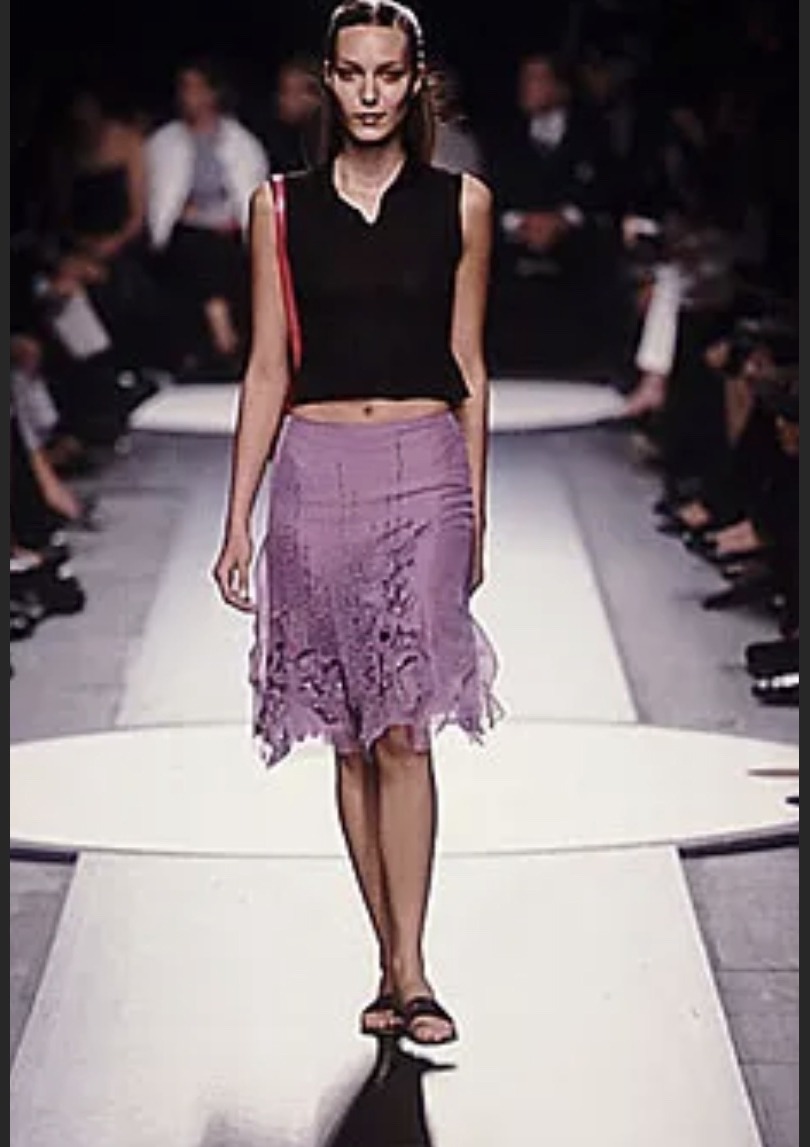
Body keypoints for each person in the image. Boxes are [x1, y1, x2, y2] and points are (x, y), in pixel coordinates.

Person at [213, 0, 501, 1048]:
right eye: (352, 73)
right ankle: (388, 958)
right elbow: (267, 366)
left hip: (424, 470)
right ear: (328, 82)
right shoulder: (278, 207)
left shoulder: (463, 203)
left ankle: (413, 970)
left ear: (414, 80)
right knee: (347, 734)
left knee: (404, 727)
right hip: (316, 472)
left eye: (388, 73)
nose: (370, 92)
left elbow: (469, 365)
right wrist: (237, 519)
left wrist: (474, 513)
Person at [145, 58, 269, 375]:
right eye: (185, 88)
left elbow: (250, 193)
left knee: (218, 248)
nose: (190, 96)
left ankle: (219, 325)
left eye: (198, 88)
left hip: (228, 231)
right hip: (184, 233)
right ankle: (221, 329)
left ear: (214, 93)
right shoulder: (163, 142)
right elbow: (161, 200)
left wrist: (229, 220)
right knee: (199, 245)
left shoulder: (241, 142)